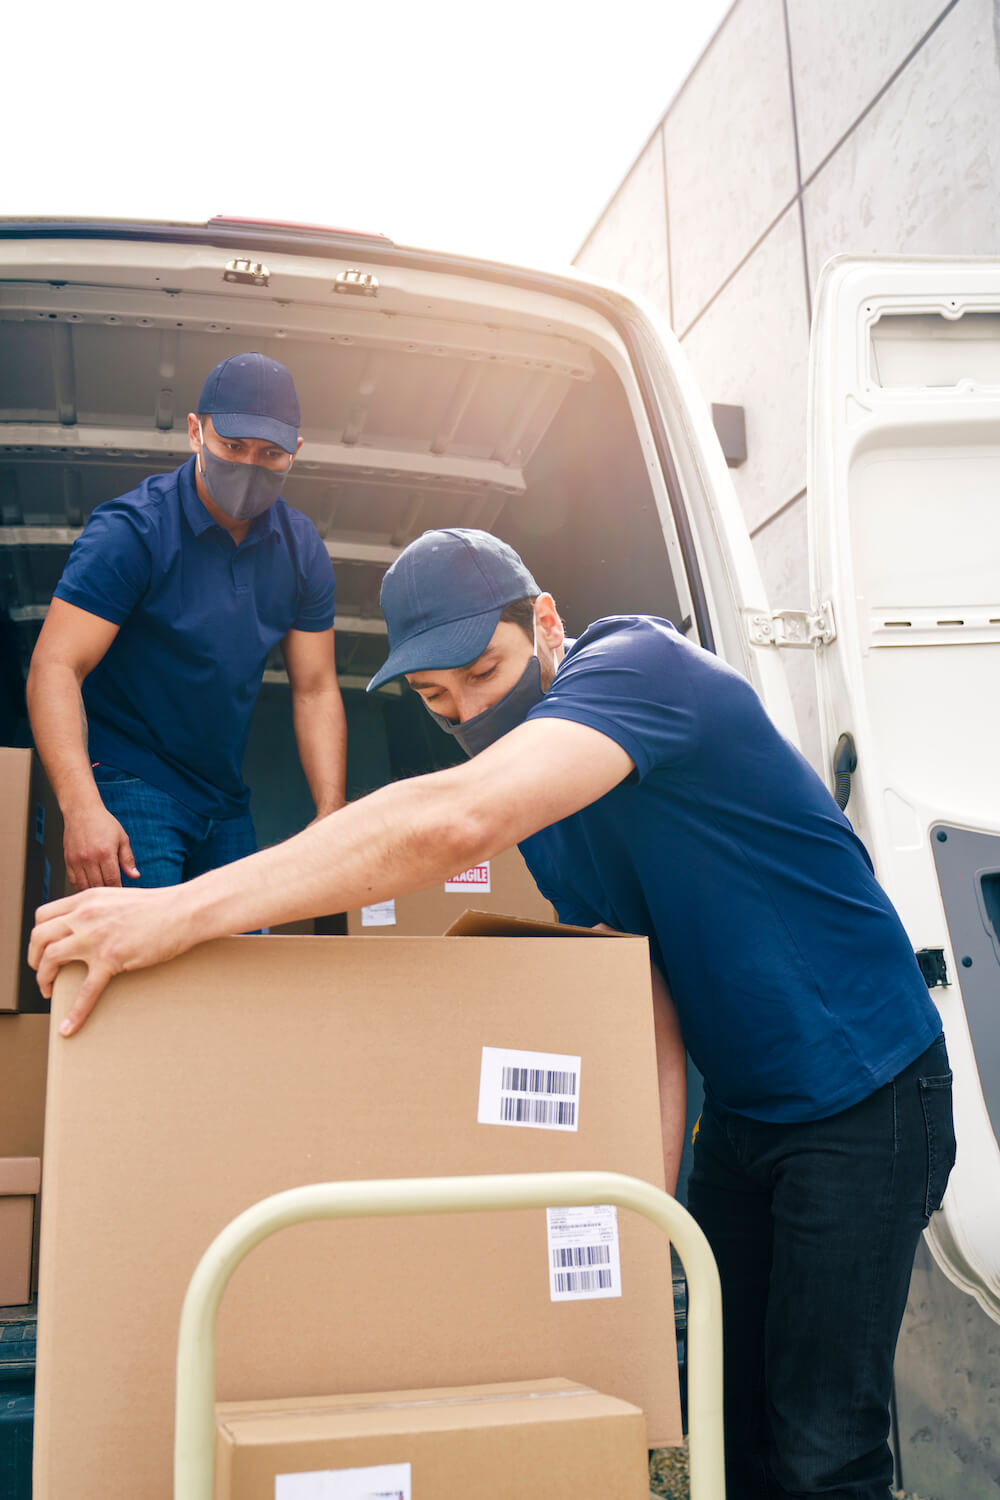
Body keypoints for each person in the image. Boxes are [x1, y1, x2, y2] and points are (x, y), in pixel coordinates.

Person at [30, 527, 954, 1499]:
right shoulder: (556, 822)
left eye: (483, 671)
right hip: (749, 1117)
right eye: (437, 698)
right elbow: (638, 996)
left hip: (862, 1094)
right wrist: (637, 1219)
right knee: (728, 1429)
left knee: (821, 1446)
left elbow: (452, 821)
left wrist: (174, 913)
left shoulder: (642, 670)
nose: (468, 710)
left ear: (545, 622)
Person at [26, 352, 346, 891]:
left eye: (270, 453)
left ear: (296, 451)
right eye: (233, 446)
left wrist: (333, 811)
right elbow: (55, 665)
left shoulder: (302, 549)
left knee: (237, 969)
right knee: (144, 966)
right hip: (131, 779)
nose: (248, 465)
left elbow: (314, 688)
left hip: (224, 800)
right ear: (196, 432)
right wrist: (81, 806)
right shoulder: (132, 532)